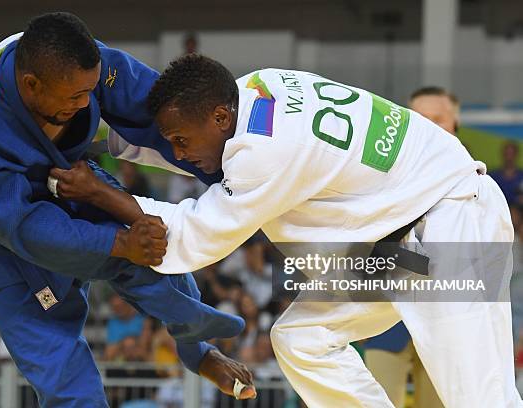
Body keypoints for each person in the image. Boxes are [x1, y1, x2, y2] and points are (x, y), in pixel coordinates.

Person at [53, 54, 521, 407]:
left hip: (451, 220)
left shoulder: (263, 152)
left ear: (219, 118)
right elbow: (181, 144)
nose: (178, 154)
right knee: (303, 338)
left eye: (181, 142)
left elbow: (195, 237)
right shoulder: (258, 88)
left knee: (480, 397)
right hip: (397, 244)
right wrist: (92, 138)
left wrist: (98, 191)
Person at [0, 15, 256, 406]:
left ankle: (197, 350)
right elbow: (25, 226)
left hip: (70, 176)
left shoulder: (83, 63)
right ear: (31, 86)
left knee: (156, 250)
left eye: (90, 91)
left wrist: (236, 177)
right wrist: (119, 242)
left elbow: (164, 114)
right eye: (74, 98)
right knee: (64, 375)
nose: (86, 103)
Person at [362, 86, 459, 408]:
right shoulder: (379, 175)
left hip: (447, 322)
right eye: (420, 118)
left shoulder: (476, 179)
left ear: (455, 122)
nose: (429, 125)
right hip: (387, 318)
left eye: (438, 118)